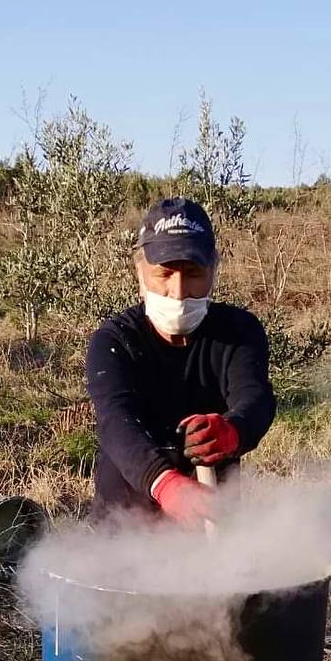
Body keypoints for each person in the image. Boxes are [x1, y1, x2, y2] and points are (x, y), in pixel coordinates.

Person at [85, 197, 276, 525]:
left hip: (213, 523)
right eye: (164, 273)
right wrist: (166, 483)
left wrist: (234, 429)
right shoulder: (115, 340)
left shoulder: (239, 332)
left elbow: (256, 398)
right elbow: (115, 422)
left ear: (213, 271)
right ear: (140, 273)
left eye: (193, 273)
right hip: (124, 528)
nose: (179, 291)